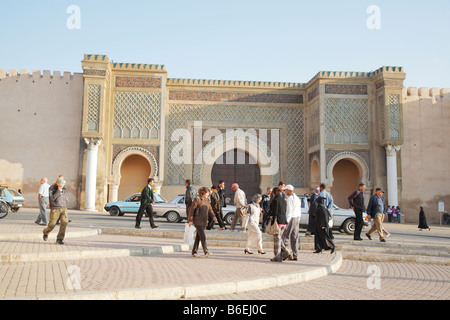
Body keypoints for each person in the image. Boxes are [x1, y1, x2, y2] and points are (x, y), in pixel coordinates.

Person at [188, 187, 217, 258]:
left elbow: (210, 209)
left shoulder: (207, 200)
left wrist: (213, 216)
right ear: (202, 193)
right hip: (197, 221)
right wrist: (190, 220)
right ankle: (206, 251)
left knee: (198, 237)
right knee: (203, 236)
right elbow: (191, 211)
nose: (208, 194)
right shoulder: (197, 199)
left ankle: (194, 252)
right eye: (207, 193)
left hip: (204, 221)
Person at [43, 176, 69, 245]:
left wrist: (62, 187)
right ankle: (46, 232)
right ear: (57, 183)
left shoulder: (64, 188)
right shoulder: (52, 188)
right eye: (60, 185)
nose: (61, 186)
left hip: (63, 208)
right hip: (55, 208)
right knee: (52, 224)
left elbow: (66, 190)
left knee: (64, 223)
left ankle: (59, 239)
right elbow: (52, 198)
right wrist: (59, 190)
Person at [282, 185, 301, 260]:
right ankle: (295, 254)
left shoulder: (290, 198)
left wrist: (286, 222)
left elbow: (289, 212)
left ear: (289, 190)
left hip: (291, 218)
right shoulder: (297, 198)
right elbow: (299, 210)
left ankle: (288, 254)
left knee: (285, 236)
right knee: (294, 237)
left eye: (285, 190)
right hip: (296, 218)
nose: (285, 191)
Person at [269, 187, 287, 262]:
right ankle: (286, 252)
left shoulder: (275, 200)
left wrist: (272, 222)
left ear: (274, 193)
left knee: (276, 240)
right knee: (279, 239)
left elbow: (274, 212)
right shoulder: (284, 200)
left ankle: (277, 256)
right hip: (284, 222)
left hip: (278, 222)